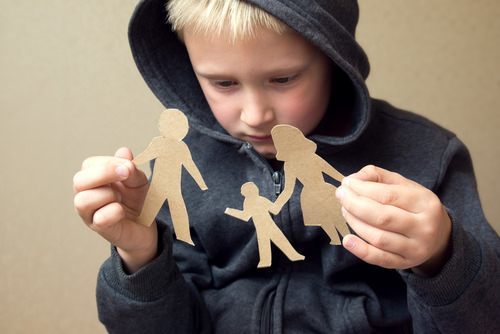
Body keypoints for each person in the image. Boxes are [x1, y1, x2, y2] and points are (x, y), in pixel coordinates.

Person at [72, 0, 500, 333]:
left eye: (283, 79)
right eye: (223, 83)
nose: (256, 114)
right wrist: (140, 256)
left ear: (334, 60)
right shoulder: (183, 171)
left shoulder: (426, 156)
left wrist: (443, 258)